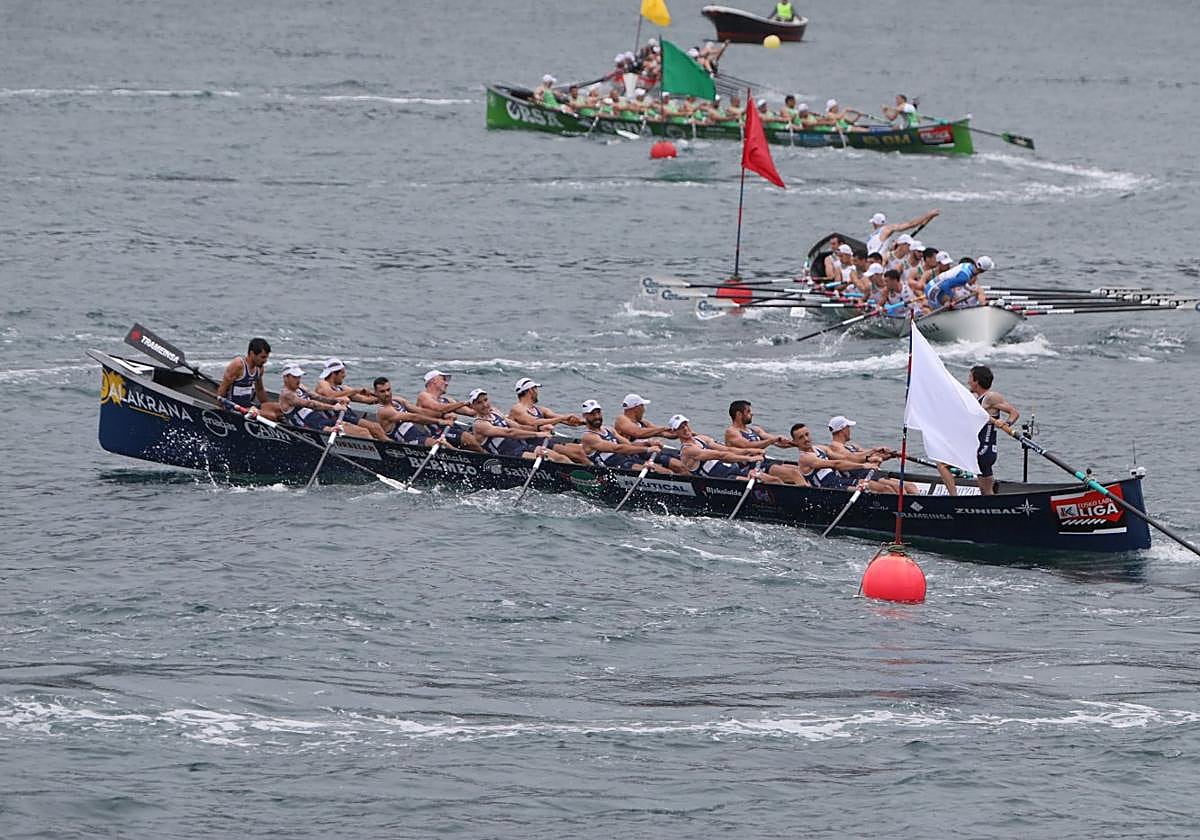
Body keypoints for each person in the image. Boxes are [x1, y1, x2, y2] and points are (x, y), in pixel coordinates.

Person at [938, 365, 1020, 496]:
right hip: (986, 452)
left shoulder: (990, 397)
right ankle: (994, 512)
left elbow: (1014, 413)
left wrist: (1006, 422)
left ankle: (954, 500)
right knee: (986, 493)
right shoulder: (976, 399)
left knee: (942, 465)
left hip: (981, 450)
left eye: (970, 377)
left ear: (977, 381)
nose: (968, 381)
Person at [467, 388, 569, 462]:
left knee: (560, 458)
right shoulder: (479, 424)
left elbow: (518, 427)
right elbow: (509, 432)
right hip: (508, 456)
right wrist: (538, 435)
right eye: (479, 403)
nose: (485, 405)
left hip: (521, 446)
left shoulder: (495, 412)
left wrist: (539, 428)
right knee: (548, 460)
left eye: (485, 400)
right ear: (473, 407)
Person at [669, 415, 779, 483]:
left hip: (735, 471)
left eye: (685, 425)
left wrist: (751, 451)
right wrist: (749, 459)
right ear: (675, 432)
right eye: (680, 427)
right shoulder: (688, 451)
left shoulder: (701, 438)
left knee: (774, 479)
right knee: (767, 482)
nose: (685, 429)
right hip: (723, 482)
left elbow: (726, 450)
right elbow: (720, 455)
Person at [825, 415, 918, 494]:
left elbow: (872, 458)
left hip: (872, 473)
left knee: (910, 486)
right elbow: (853, 458)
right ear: (843, 429)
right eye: (848, 427)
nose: (850, 430)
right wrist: (873, 450)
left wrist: (893, 454)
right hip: (861, 476)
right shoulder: (835, 447)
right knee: (896, 489)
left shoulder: (853, 446)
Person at [723, 401, 808, 485]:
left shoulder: (755, 429)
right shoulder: (732, 432)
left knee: (801, 470)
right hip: (749, 467)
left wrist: (798, 444)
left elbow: (778, 442)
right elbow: (747, 445)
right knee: (794, 474)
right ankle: (807, 496)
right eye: (748, 412)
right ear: (739, 414)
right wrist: (772, 440)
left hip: (764, 462)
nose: (752, 414)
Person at [507, 377, 589, 465]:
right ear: (531, 390)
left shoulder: (541, 410)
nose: (537, 392)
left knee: (581, 451)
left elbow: (565, 420)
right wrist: (561, 419)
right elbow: (533, 422)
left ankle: (596, 470)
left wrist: (585, 422)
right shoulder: (517, 408)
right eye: (536, 389)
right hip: (528, 444)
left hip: (544, 440)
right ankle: (588, 476)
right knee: (564, 458)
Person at [579, 400, 669, 472]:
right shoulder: (588, 437)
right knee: (656, 471)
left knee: (664, 472)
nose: (597, 416)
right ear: (584, 416)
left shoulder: (609, 430)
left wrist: (648, 443)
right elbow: (616, 448)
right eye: (592, 414)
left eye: (598, 413)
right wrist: (647, 449)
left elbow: (628, 445)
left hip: (626, 460)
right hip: (614, 469)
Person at [613, 393, 688, 475]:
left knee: (684, 459)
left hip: (646, 451)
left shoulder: (643, 422)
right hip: (630, 455)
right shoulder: (621, 419)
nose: (644, 410)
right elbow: (638, 433)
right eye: (643, 406)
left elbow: (666, 434)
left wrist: (684, 431)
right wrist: (662, 428)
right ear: (637, 408)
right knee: (675, 466)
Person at [314, 358, 387, 440]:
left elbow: (368, 401)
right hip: (334, 419)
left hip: (347, 415)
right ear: (334, 373)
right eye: (342, 372)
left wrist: (383, 395)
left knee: (376, 427)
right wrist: (355, 390)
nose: (344, 375)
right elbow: (331, 395)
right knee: (369, 430)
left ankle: (391, 445)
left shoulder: (343, 389)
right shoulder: (323, 384)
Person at [415, 369, 484, 452]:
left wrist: (483, 406)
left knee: (480, 436)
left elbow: (471, 413)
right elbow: (440, 408)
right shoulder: (424, 396)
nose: (447, 383)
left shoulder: (448, 400)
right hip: (433, 432)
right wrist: (464, 403)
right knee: (468, 439)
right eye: (443, 379)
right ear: (433, 381)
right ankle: (487, 457)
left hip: (449, 428)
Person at [789, 423, 873, 490]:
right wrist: (862, 465)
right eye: (801, 437)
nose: (806, 439)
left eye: (807, 434)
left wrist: (869, 457)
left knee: (867, 485)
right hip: (827, 489)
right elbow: (836, 464)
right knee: (861, 489)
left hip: (837, 481)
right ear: (795, 442)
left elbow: (844, 458)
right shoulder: (805, 458)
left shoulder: (820, 448)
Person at [216, 337, 281, 420]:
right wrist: (220, 410)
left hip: (248, 407)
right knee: (271, 415)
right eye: (263, 357)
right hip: (235, 408)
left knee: (280, 409)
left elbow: (260, 390)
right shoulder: (238, 365)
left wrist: (265, 408)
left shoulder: (259, 368)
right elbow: (223, 388)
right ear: (252, 353)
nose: (265, 361)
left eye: (266, 357)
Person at [372, 378, 448, 446]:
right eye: (382, 391)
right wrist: (439, 421)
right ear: (376, 393)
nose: (387, 394)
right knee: (438, 443)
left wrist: (442, 415)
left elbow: (420, 411)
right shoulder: (384, 411)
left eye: (388, 390)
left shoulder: (397, 400)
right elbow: (413, 417)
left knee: (444, 440)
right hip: (406, 444)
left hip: (419, 435)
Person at [278, 363, 350, 433]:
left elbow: (317, 397)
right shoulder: (287, 394)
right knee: (340, 429)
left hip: (318, 419)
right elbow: (310, 404)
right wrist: (333, 407)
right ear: (286, 378)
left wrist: (336, 400)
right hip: (307, 428)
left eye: (299, 377)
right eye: (294, 377)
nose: (298, 380)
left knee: (349, 426)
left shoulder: (301, 386)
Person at [865, 208, 940, 258]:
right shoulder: (886, 229)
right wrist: (929, 215)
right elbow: (910, 224)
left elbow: (911, 225)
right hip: (878, 259)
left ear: (874, 223)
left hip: (872, 259)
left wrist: (929, 216)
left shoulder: (872, 235)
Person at [925, 256, 994, 309]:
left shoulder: (967, 265)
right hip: (932, 291)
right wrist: (952, 298)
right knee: (951, 303)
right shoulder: (964, 278)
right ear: (983, 271)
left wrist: (969, 289)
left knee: (954, 299)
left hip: (932, 285)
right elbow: (945, 285)